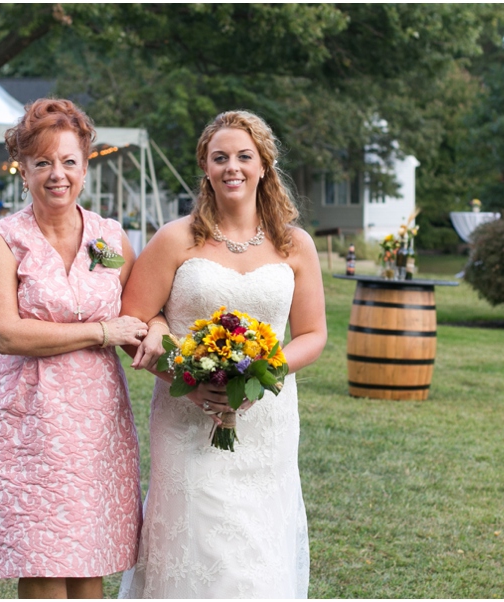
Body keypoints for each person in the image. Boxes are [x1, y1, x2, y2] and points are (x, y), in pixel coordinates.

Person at [118, 110, 327, 598]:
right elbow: (134, 324)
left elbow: (313, 334)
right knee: (196, 541)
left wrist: (264, 374)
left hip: (266, 421)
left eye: (244, 156)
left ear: (263, 166)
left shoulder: (294, 245)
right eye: (220, 158)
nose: (232, 166)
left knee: (256, 550)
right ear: (206, 169)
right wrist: (191, 385)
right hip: (185, 417)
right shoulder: (176, 239)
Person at [0, 98, 149, 599]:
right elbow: (5, 332)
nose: (58, 174)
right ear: (23, 170)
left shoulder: (106, 239)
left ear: (85, 167)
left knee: (89, 561)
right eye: (43, 163)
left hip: (97, 421)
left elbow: (137, 305)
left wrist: (151, 328)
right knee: (44, 563)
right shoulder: (5, 241)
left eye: (69, 161)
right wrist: (100, 333)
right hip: (30, 419)